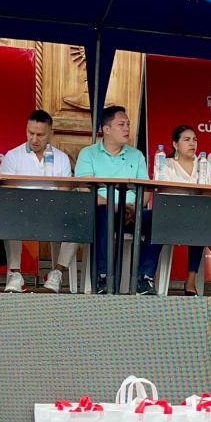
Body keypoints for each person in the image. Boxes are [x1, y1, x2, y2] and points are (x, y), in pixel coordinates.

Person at [75, 105, 162, 295]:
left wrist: (135, 208)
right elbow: (85, 190)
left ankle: (144, 278)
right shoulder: (88, 154)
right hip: (102, 212)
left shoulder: (136, 155)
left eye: (128, 125)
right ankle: (104, 276)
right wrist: (115, 207)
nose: (126, 129)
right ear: (106, 129)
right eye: (121, 124)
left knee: (159, 219)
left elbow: (146, 190)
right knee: (101, 213)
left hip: (132, 212)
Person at [0, 110, 73, 293]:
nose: (34, 139)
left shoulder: (61, 158)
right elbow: (8, 193)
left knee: (78, 221)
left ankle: (57, 272)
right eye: (30, 133)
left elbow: (64, 194)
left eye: (40, 134)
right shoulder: (13, 156)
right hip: (21, 211)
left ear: (51, 134)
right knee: (8, 214)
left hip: (53, 212)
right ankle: (15, 274)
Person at [159, 124, 211, 295]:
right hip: (173, 216)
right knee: (199, 221)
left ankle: (192, 281)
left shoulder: (203, 164)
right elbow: (164, 192)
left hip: (198, 215)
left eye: (194, 139)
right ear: (175, 144)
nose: (192, 143)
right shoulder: (166, 164)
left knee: (199, 220)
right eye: (186, 140)